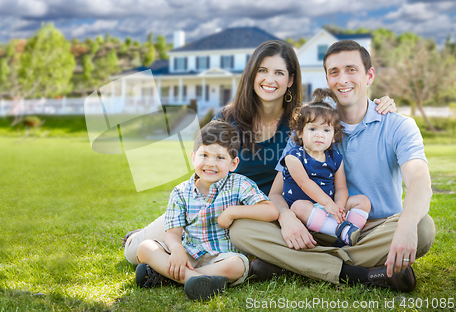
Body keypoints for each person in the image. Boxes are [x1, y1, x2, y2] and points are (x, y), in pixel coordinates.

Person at [123, 39, 396, 266]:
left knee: (234, 252)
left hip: (267, 214)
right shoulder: (228, 118)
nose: (269, 79)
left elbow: (344, 111)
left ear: (290, 80)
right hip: (217, 206)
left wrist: (382, 102)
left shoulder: (302, 123)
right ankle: (144, 240)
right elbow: (206, 167)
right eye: (263, 71)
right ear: (252, 74)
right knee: (134, 252)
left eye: (279, 73)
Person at [229, 40, 435, 293]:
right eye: (334, 72)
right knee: (240, 229)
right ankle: (361, 273)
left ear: (369, 75)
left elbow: (419, 181)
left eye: (351, 69)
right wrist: (287, 217)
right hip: (313, 225)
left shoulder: (398, 125)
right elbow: (276, 192)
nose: (343, 79)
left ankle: (290, 263)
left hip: (370, 230)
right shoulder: (311, 126)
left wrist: (406, 224)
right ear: (327, 79)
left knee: (422, 227)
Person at [135, 121, 279, 300]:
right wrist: (177, 250)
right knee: (145, 248)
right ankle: (197, 280)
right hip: (189, 253)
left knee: (238, 265)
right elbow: (173, 233)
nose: (210, 163)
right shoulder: (181, 192)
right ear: (193, 157)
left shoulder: (240, 184)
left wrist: (232, 212)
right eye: (204, 155)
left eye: (220, 158)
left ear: (233, 163)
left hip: (221, 257)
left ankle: (168, 277)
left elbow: (271, 211)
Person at [281, 88, 370, 247]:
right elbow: (305, 183)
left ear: (334, 135)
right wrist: (328, 204)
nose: (319, 134)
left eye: (326, 130)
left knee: (362, 201)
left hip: (328, 209)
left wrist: (339, 208)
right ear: (300, 132)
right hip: (305, 212)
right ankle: (341, 231)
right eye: (313, 128)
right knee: (298, 206)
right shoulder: (294, 156)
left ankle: (347, 232)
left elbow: (341, 187)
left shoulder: (335, 158)